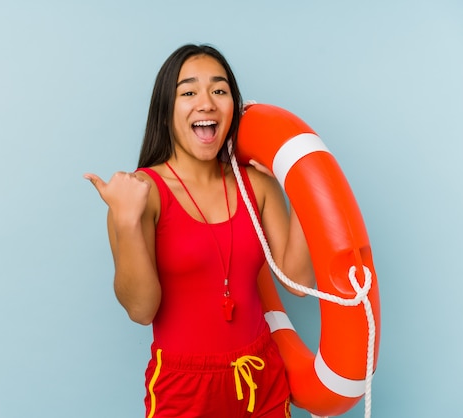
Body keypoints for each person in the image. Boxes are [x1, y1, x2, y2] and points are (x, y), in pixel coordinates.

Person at [84, 44, 315, 418]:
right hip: (183, 386)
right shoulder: (141, 193)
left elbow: (298, 281)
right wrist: (126, 221)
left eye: (219, 90)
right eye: (189, 92)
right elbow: (142, 310)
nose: (206, 103)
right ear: (164, 113)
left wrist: (305, 190)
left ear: (233, 108)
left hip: (260, 374)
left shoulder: (258, 184)